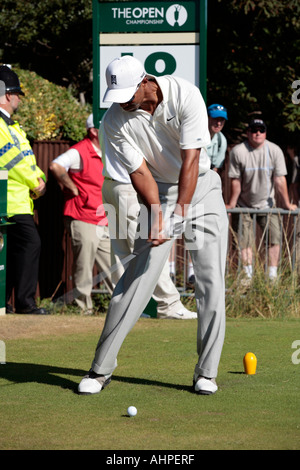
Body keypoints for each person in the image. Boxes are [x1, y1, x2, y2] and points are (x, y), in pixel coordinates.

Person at [78, 55, 228, 396]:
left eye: (128, 94)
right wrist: (158, 214)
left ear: (146, 82)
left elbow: (191, 160)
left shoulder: (186, 95)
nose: (122, 103)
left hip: (202, 189)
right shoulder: (113, 121)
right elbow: (139, 173)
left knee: (210, 281)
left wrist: (178, 214)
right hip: (157, 190)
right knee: (136, 280)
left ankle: (206, 372)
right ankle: (100, 370)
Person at [100, 154, 197, 320]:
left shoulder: (107, 126)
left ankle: (122, 306)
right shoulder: (129, 127)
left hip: (111, 184)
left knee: (122, 252)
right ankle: (169, 305)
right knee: (149, 253)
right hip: (128, 187)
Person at [50, 114, 113, 314]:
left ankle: (121, 307)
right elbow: (55, 165)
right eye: (103, 128)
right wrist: (72, 187)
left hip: (102, 218)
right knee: (84, 265)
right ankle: (82, 308)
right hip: (82, 216)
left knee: (115, 265)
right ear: (94, 131)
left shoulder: (107, 151)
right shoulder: (80, 150)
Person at [0, 65, 48, 315]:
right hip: (8, 200)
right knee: (30, 244)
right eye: (17, 93)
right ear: (8, 95)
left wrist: (38, 178)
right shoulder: (1, 125)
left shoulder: (11, 126)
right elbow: (10, 159)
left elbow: (27, 158)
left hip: (18, 200)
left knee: (12, 250)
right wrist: (35, 182)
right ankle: (25, 303)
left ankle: (6, 302)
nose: (19, 98)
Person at [226, 118, 297, 281]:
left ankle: (272, 276)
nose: (257, 133)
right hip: (243, 205)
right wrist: (231, 203)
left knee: (275, 238)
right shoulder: (238, 151)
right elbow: (235, 180)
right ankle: (247, 277)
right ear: (248, 132)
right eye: (254, 130)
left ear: (265, 132)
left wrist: (286, 203)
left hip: (267, 205)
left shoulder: (274, 150)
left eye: (261, 130)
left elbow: (280, 180)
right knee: (245, 241)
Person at [206, 104, 228, 172]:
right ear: (207, 117)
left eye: (222, 120)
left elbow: (216, 168)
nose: (218, 123)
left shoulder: (222, 140)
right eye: (215, 119)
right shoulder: (196, 135)